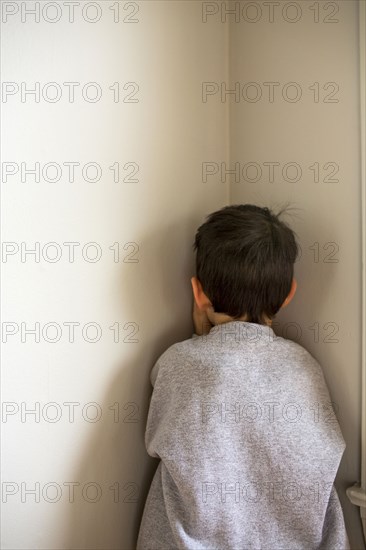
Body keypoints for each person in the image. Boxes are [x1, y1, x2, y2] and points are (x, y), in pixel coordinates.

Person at [136, 204, 349, 549]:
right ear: (289, 293)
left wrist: (199, 340)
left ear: (198, 292)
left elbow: (161, 436)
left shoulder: (177, 363)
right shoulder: (306, 367)